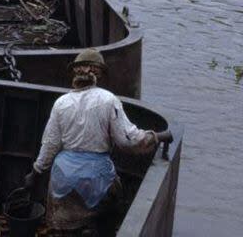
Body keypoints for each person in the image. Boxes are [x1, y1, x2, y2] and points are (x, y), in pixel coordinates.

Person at [24, 49, 173, 235]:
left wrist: (35, 172)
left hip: (63, 177)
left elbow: (50, 145)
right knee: (110, 210)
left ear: (75, 73)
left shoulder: (61, 103)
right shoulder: (108, 100)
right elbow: (129, 141)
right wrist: (157, 136)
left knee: (67, 228)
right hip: (96, 178)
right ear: (99, 73)